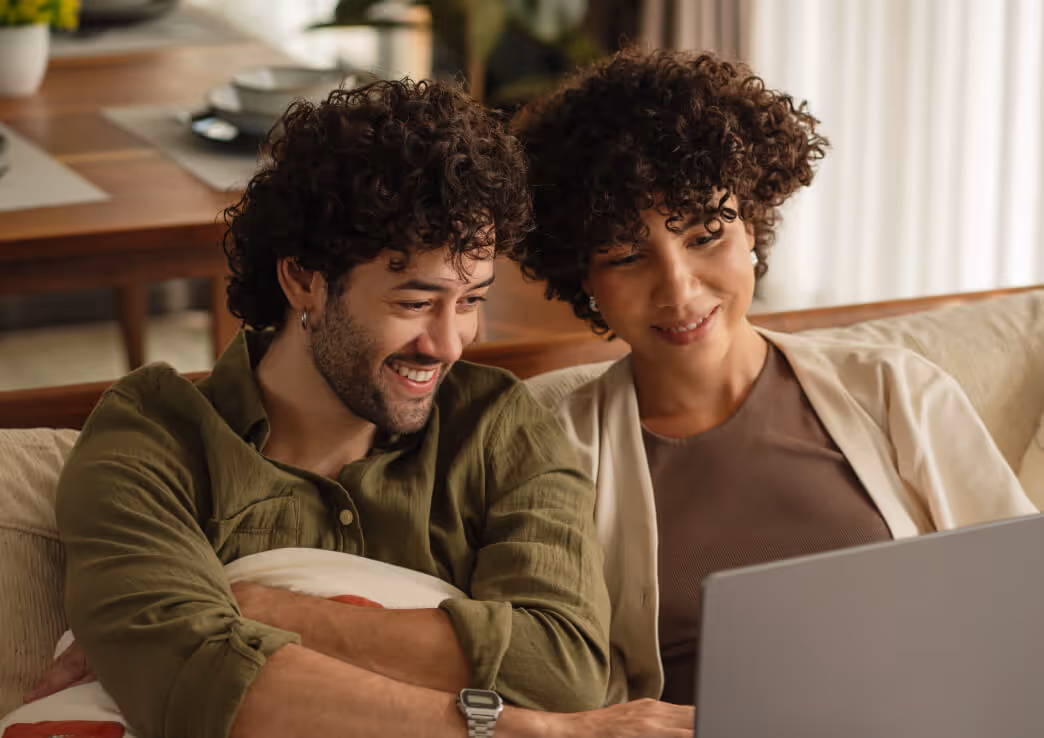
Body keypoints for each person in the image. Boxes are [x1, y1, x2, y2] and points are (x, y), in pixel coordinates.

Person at [28, 78, 693, 738]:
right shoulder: (153, 438)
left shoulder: (498, 429)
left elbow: (562, 667)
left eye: (470, 301)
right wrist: (526, 729)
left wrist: (255, 605)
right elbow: (199, 680)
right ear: (304, 280)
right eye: (413, 303)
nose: (449, 343)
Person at [511, 47, 1039, 706]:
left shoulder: (893, 390)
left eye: (706, 234)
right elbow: (562, 687)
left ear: (753, 228)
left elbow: (1021, 601)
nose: (678, 290)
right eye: (626, 256)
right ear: (584, 280)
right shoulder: (556, 453)